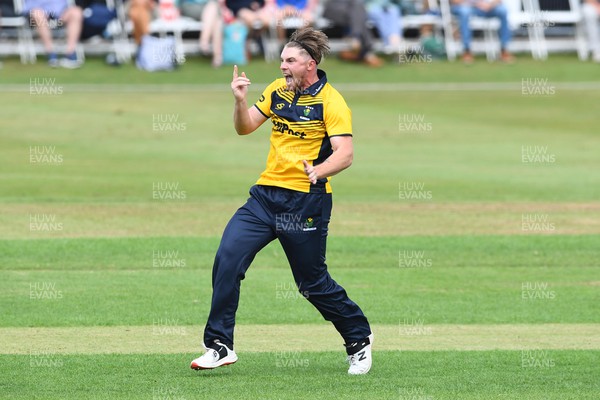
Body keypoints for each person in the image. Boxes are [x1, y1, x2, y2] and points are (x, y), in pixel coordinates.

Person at [190, 27, 374, 375]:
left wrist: (319, 170)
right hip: (264, 198)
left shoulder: (331, 101)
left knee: (312, 284)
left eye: (290, 61)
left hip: (304, 202)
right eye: (281, 60)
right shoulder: (277, 91)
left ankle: (359, 339)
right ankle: (219, 345)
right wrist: (240, 101)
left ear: (311, 64)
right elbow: (244, 128)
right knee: (227, 259)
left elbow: (345, 154)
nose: (283, 67)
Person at [322, 0, 384, 66]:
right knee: (358, 12)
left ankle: (355, 41)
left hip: (350, 11)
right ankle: (365, 51)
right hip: (334, 8)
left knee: (357, 11)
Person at [23, 0, 84, 67]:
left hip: (59, 15)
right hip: (36, 16)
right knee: (38, 14)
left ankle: (70, 54)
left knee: (76, 12)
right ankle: (50, 54)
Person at [180, 0, 223, 66]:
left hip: (209, 9)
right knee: (213, 10)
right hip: (190, 6)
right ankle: (217, 55)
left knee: (217, 19)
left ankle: (205, 42)